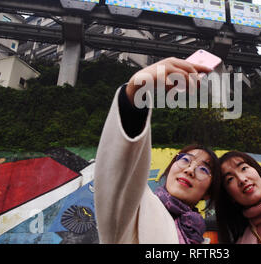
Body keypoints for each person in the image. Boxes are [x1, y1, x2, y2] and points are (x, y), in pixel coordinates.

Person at [94, 57, 220, 244]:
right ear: (169, 170)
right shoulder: (136, 209)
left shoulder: (201, 240)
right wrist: (136, 92)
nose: (189, 170)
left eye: (203, 169)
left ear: (208, 192)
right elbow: (118, 172)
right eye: (185, 159)